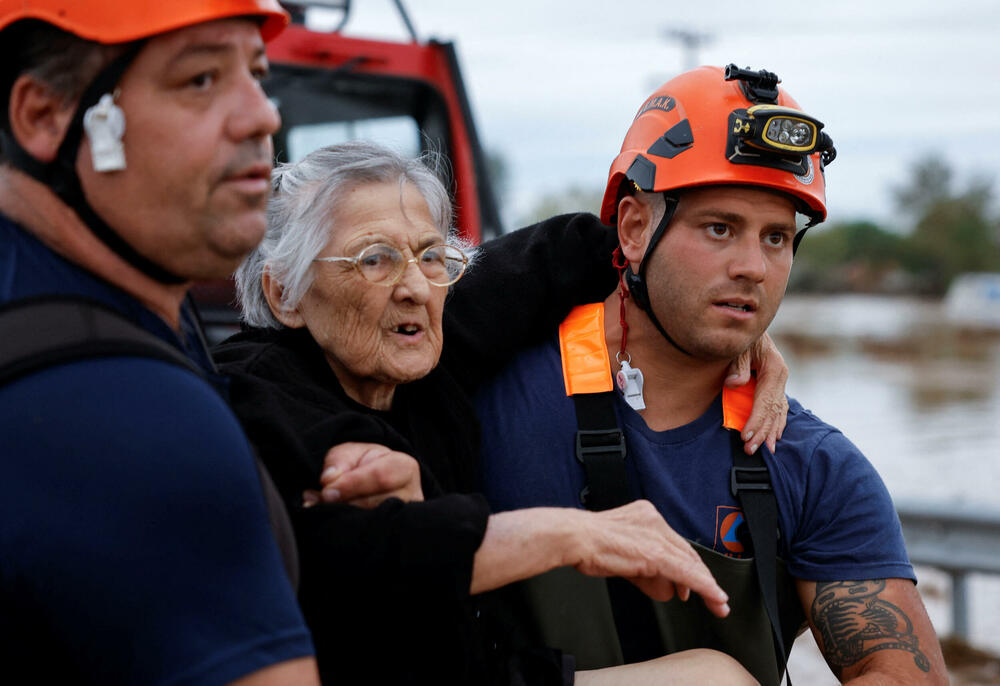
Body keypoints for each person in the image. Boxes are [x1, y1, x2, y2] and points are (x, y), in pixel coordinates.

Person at [213, 140, 795, 685]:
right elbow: (352, 555)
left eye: (431, 255)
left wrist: (729, 322)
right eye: (375, 260)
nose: (414, 285)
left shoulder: (423, 344)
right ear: (284, 294)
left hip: (493, 666)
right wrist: (577, 533)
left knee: (717, 675)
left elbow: (569, 253)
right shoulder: (250, 390)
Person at [473, 65, 950, 685]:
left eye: (776, 237)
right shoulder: (486, 391)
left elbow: (905, 677)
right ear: (635, 227)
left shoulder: (810, 461)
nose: (753, 266)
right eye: (719, 228)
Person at [0, 2, 320, 683]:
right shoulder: (126, 415)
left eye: (256, 74)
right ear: (43, 116)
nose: (263, 115)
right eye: (200, 80)